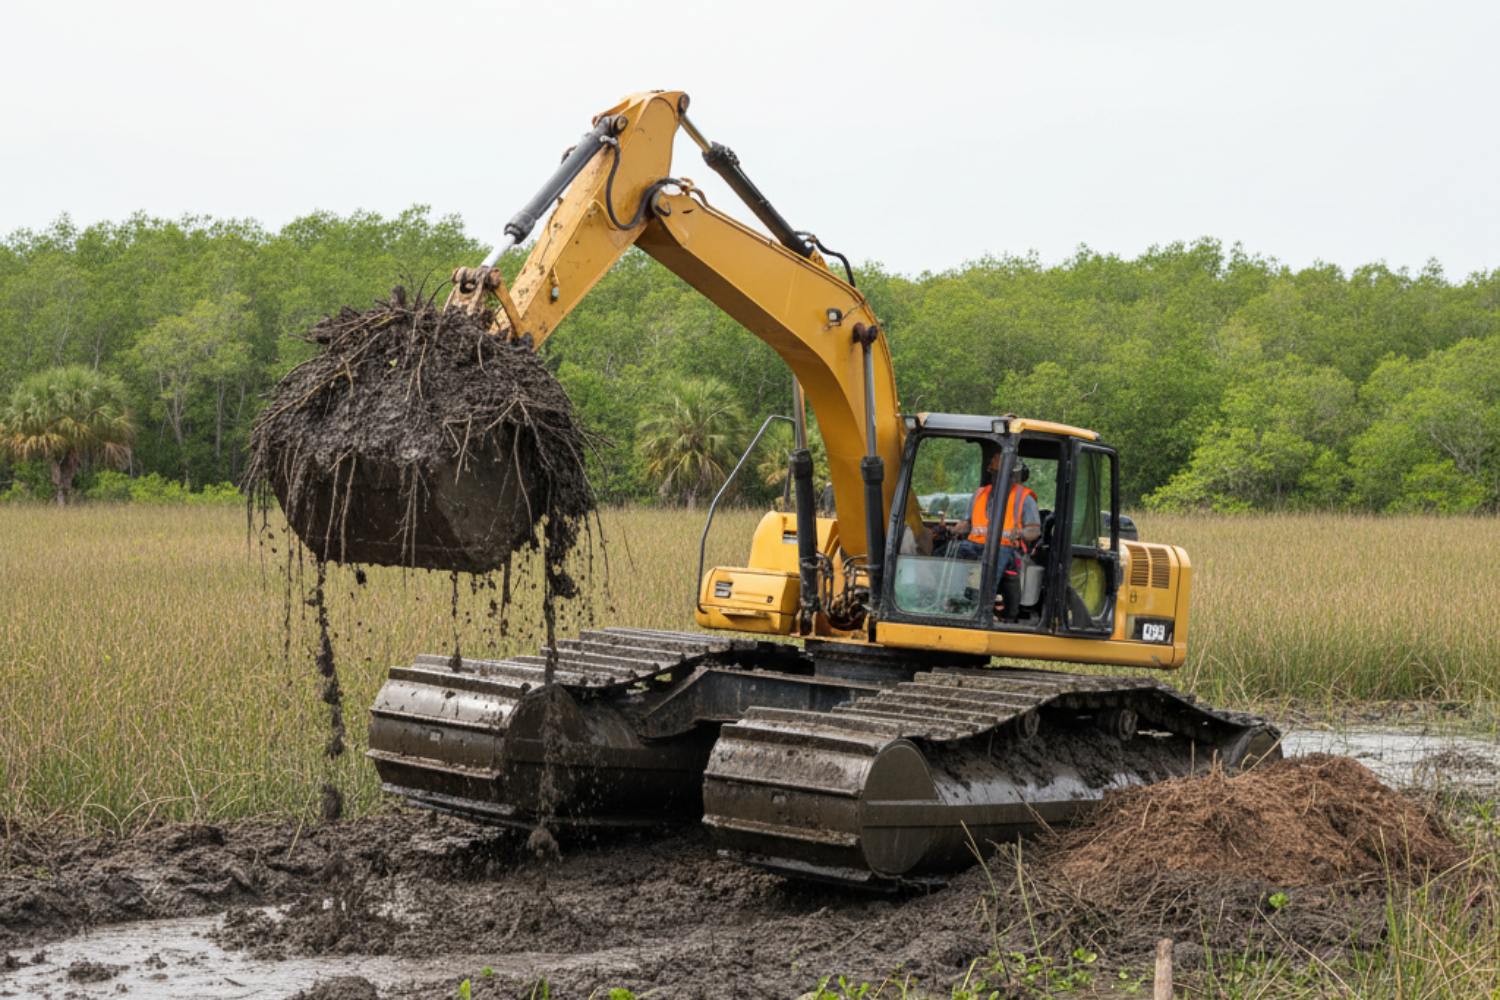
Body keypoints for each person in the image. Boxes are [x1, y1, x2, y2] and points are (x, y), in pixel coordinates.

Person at [937, 453, 1041, 621]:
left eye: (1005, 474)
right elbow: (968, 523)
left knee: (992, 561)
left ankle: (981, 608)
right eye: (996, 474)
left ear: (1015, 475)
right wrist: (955, 528)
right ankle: (943, 601)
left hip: (1008, 551)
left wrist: (1020, 533)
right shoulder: (980, 494)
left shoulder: (1024, 498)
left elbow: (1034, 531)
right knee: (944, 553)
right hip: (975, 547)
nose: (999, 478)